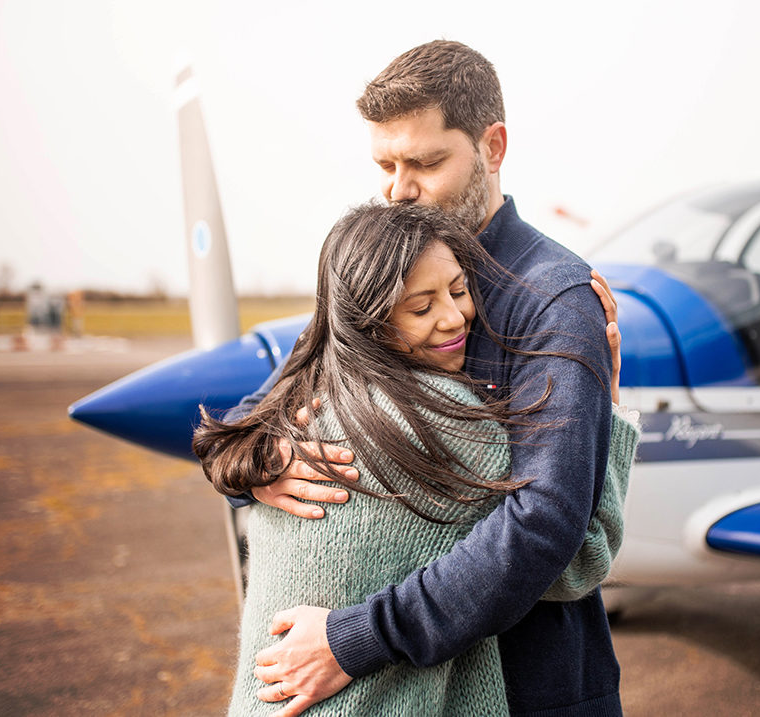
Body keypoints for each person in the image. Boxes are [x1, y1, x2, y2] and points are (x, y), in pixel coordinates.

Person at [222, 41, 627, 716]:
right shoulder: (386, 266)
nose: (398, 188)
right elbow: (242, 425)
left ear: (493, 147)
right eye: (386, 165)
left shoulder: (555, 299)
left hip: (532, 692)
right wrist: (263, 462)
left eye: (426, 163)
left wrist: (354, 639)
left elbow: (543, 525)